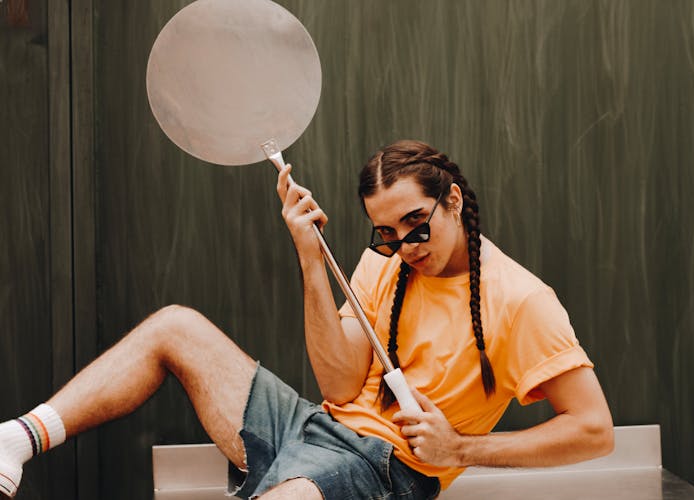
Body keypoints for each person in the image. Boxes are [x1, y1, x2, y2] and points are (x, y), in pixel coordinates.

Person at [0, 140, 613, 499]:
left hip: (386, 470)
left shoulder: (521, 300)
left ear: (454, 199)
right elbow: (342, 385)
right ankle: (16, 439)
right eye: (389, 232)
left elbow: (593, 431)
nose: (407, 244)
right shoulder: (386, 261)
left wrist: (463, 448)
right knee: (175, 326)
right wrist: (310, 260)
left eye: (418, 225)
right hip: (314, 427)